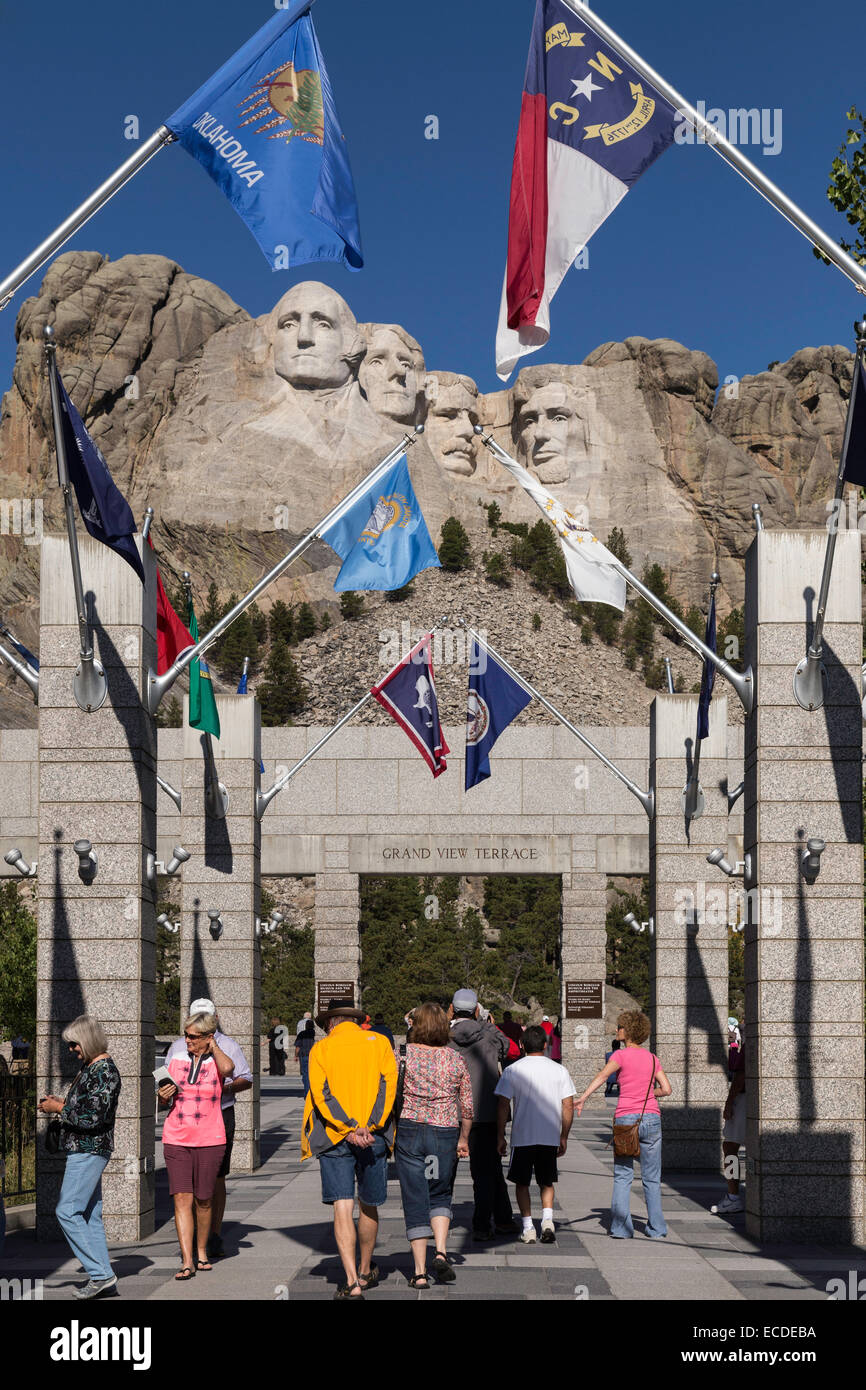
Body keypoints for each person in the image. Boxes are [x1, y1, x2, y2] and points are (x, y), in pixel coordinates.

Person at [301, 997, 398, 1299]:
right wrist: (369, 1124)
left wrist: (347, 1126)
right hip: (374, 1135)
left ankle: (352, 1280)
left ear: (330, 1022)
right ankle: (367, 1268)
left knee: (342, 1206)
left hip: (335, 1136)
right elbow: (389, 1084)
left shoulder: (322, 1048)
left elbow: (321, 1093)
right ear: (354, 1019)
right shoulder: (379, 1042)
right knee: (369, 1204)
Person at [38, 1015, 121, 1299]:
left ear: (87, 1040)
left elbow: (92, 1117)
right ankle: (102, 1275)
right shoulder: (92, 1068)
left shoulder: (103, 1071)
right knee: (89, 1214)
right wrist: (61, 1103)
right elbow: (87, 1107)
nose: (72, 1050)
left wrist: (58, 1109)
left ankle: (101, 1275)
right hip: (86, 1148)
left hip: (89, 1149)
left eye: (74, 1044)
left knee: (66, 1211)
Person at [165, 997, 252, 1260]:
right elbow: (165, 1080)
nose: (191, 1037)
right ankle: (193, 1240)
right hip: (183, 1121)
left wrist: (220, 1089)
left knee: (215, 1179)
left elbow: (244, 1078)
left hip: (220, 1114)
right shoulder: (179, 1047)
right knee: (185, 1187)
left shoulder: (227, 1045)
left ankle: (213, 1232)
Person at [576, 1010, 672, 1240]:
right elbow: (667, 1089)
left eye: (619, 1026)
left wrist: (584, 1097)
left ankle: (621, 1228)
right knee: (651, 1177)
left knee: (622, 1175)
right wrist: (648, 1094)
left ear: (627, 1031)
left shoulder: (619, 1056)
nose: (617, 1029)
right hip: (651, 1118)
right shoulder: (652, 1058)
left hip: (627, 1120)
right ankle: (657, 1228)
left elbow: (601, 1077)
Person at [396, 1002, 472, 1287]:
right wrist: (464, 1138)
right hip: (444, 1131)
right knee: (440, 1192)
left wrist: (412, 1016)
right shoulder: (455, 1059)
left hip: (410, 1128)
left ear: (415, 1025)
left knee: (415, 1195)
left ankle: (418, 1272)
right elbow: (467, 1106)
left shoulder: (402, 1054)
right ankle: (440, 1251)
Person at [159, 1011, 233, 1280]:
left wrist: (214, 1048)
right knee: (181, 1198)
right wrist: (162, 1096)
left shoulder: (218, 1060)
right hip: (176, 1136)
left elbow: (229, 1070)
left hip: (210, 1138)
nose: (187, 1041)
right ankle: (187, 1259)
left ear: (208, 1037)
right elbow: (161, 1097)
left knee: (204, 1199)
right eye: (185, 1035)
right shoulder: (177, 1058)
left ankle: (202, 1250)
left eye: (192, 1037)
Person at [495, 1024, 577, 1244]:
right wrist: (564, 1135)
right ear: (545, 1044)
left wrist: (500, 1135)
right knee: (546, 1182)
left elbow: (503, 1104)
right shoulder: (559, 1070)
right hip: (549, 1135)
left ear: (521, 1045)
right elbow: (567, 1105)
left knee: (521, 1183)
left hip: (522, 1137)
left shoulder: (513, 1070)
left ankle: (528, 1226)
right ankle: (548, 1221)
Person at [447, 988, 514, 1240]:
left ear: (452, 1009)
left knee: (445, 1173)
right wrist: (487, 1023)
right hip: (484, 1112)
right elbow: (507, 1047)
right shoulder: (489, 1036)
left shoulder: (443, 1035)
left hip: (451, 1113)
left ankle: (436, 1220)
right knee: (486, 1174)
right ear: (477, 1010)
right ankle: (483, 1225)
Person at [712, 1046, 746, 1215]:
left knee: (730, 1148)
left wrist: (730, 1101)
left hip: (744, 1099)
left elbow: (741, 1075)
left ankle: (733, 1197)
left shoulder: (749, 1043)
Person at [294, 1019, 316, 1094]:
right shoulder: (313, 1033)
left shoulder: (302, 1034)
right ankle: (311, 1090)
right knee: (311, 1074)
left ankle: (307, 1093)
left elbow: (298, 1047)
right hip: (312, 1056)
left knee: (305, 1074)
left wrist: (296, 1055)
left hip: (304, 1056)